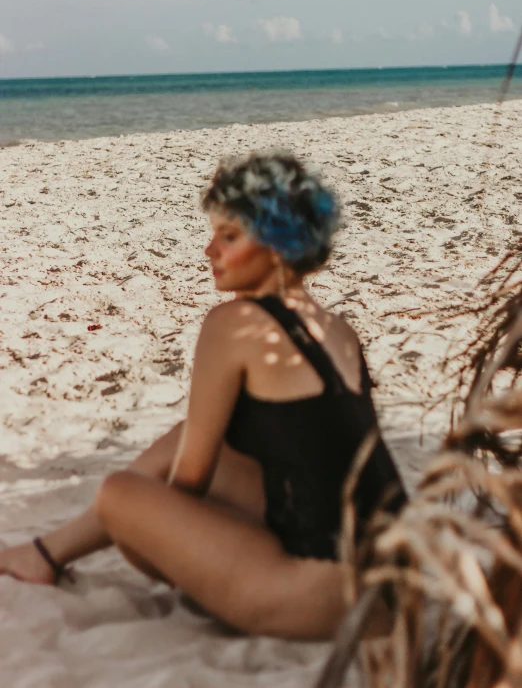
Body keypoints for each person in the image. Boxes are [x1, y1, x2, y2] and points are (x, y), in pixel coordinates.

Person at [0, 152, 406, 640]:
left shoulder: (234, 324)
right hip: (393, 579)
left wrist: (154, 534)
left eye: (229, 237)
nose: (209, 250)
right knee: (177, 441)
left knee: (121, 495)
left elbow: (190, 478)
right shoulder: (336, 328)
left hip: (319, 592)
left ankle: (44, 555)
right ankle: (43, 554)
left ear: (278, 245)